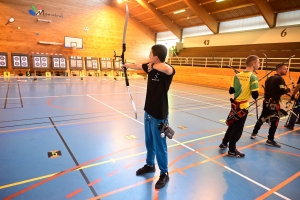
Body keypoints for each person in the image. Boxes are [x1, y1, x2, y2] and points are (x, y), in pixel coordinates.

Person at [123, 44, 175, 189]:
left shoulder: (168, 69)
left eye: (150, 54)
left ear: (156, 57)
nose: (148, 55)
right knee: (149, 142)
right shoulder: (151, 65)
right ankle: (150, 165)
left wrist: (152, 64)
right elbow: (139, 66)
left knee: (160, 145)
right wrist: (126, 65)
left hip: (159, 114)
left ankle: (164, 173)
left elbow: (166, 68)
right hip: (149, 111)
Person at [219, 55, 260, 158]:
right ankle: (232, 150)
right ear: (253, 64)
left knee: (232, 125)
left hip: (234, 106)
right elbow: (255, 96)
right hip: (243, 107)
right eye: (258, 63)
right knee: (237, 129)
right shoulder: (253, 77)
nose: (259, 64)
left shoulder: (237, 75)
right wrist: (251, 88)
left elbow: (231, 91)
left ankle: (224, 143)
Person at [250, 64, 291, 147]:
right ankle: (270, 139)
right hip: (273, 103)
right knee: (274, 121)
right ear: (278, 70)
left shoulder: (268, 78)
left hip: (266, 102)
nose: (286, 70)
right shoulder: (280, 79)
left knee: (262, 117)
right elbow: (282, 91)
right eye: (284, 69)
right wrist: (288, 89)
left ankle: (254, 133)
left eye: (287, 69)